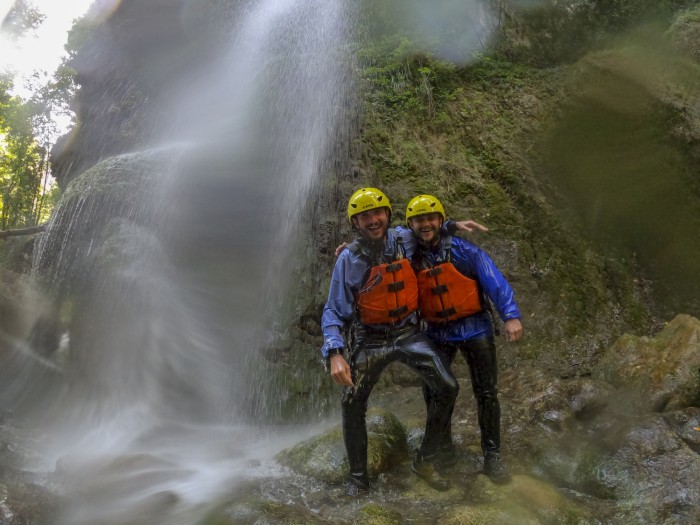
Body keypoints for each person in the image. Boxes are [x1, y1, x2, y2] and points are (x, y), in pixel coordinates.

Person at [321, 187, 482, 495]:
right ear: (355, 223)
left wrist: (453, 225)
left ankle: (425, 459)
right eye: (364, 216)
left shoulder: (402, 238)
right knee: (352, 403)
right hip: (371, 340)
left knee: (448, 387)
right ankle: (358, 478)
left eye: (377, 213)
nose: (372, 220)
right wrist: (335, 353)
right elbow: (333, 311)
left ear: (388, 214)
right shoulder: (349, 260)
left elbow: (425, 230)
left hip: (409, 334)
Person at [405, 194, 523, 484]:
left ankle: (492, 456)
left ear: (440, 220)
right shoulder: (409, 255)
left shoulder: (464, 251)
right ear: (411, 224)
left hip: (475, 328)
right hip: (436, 331)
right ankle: (444, 450)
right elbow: (381, 246)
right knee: (434, 391)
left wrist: (510, 315)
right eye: (419, 219)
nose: (426, 224)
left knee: (486, 393)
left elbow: (493, 279)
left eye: (431, 218)